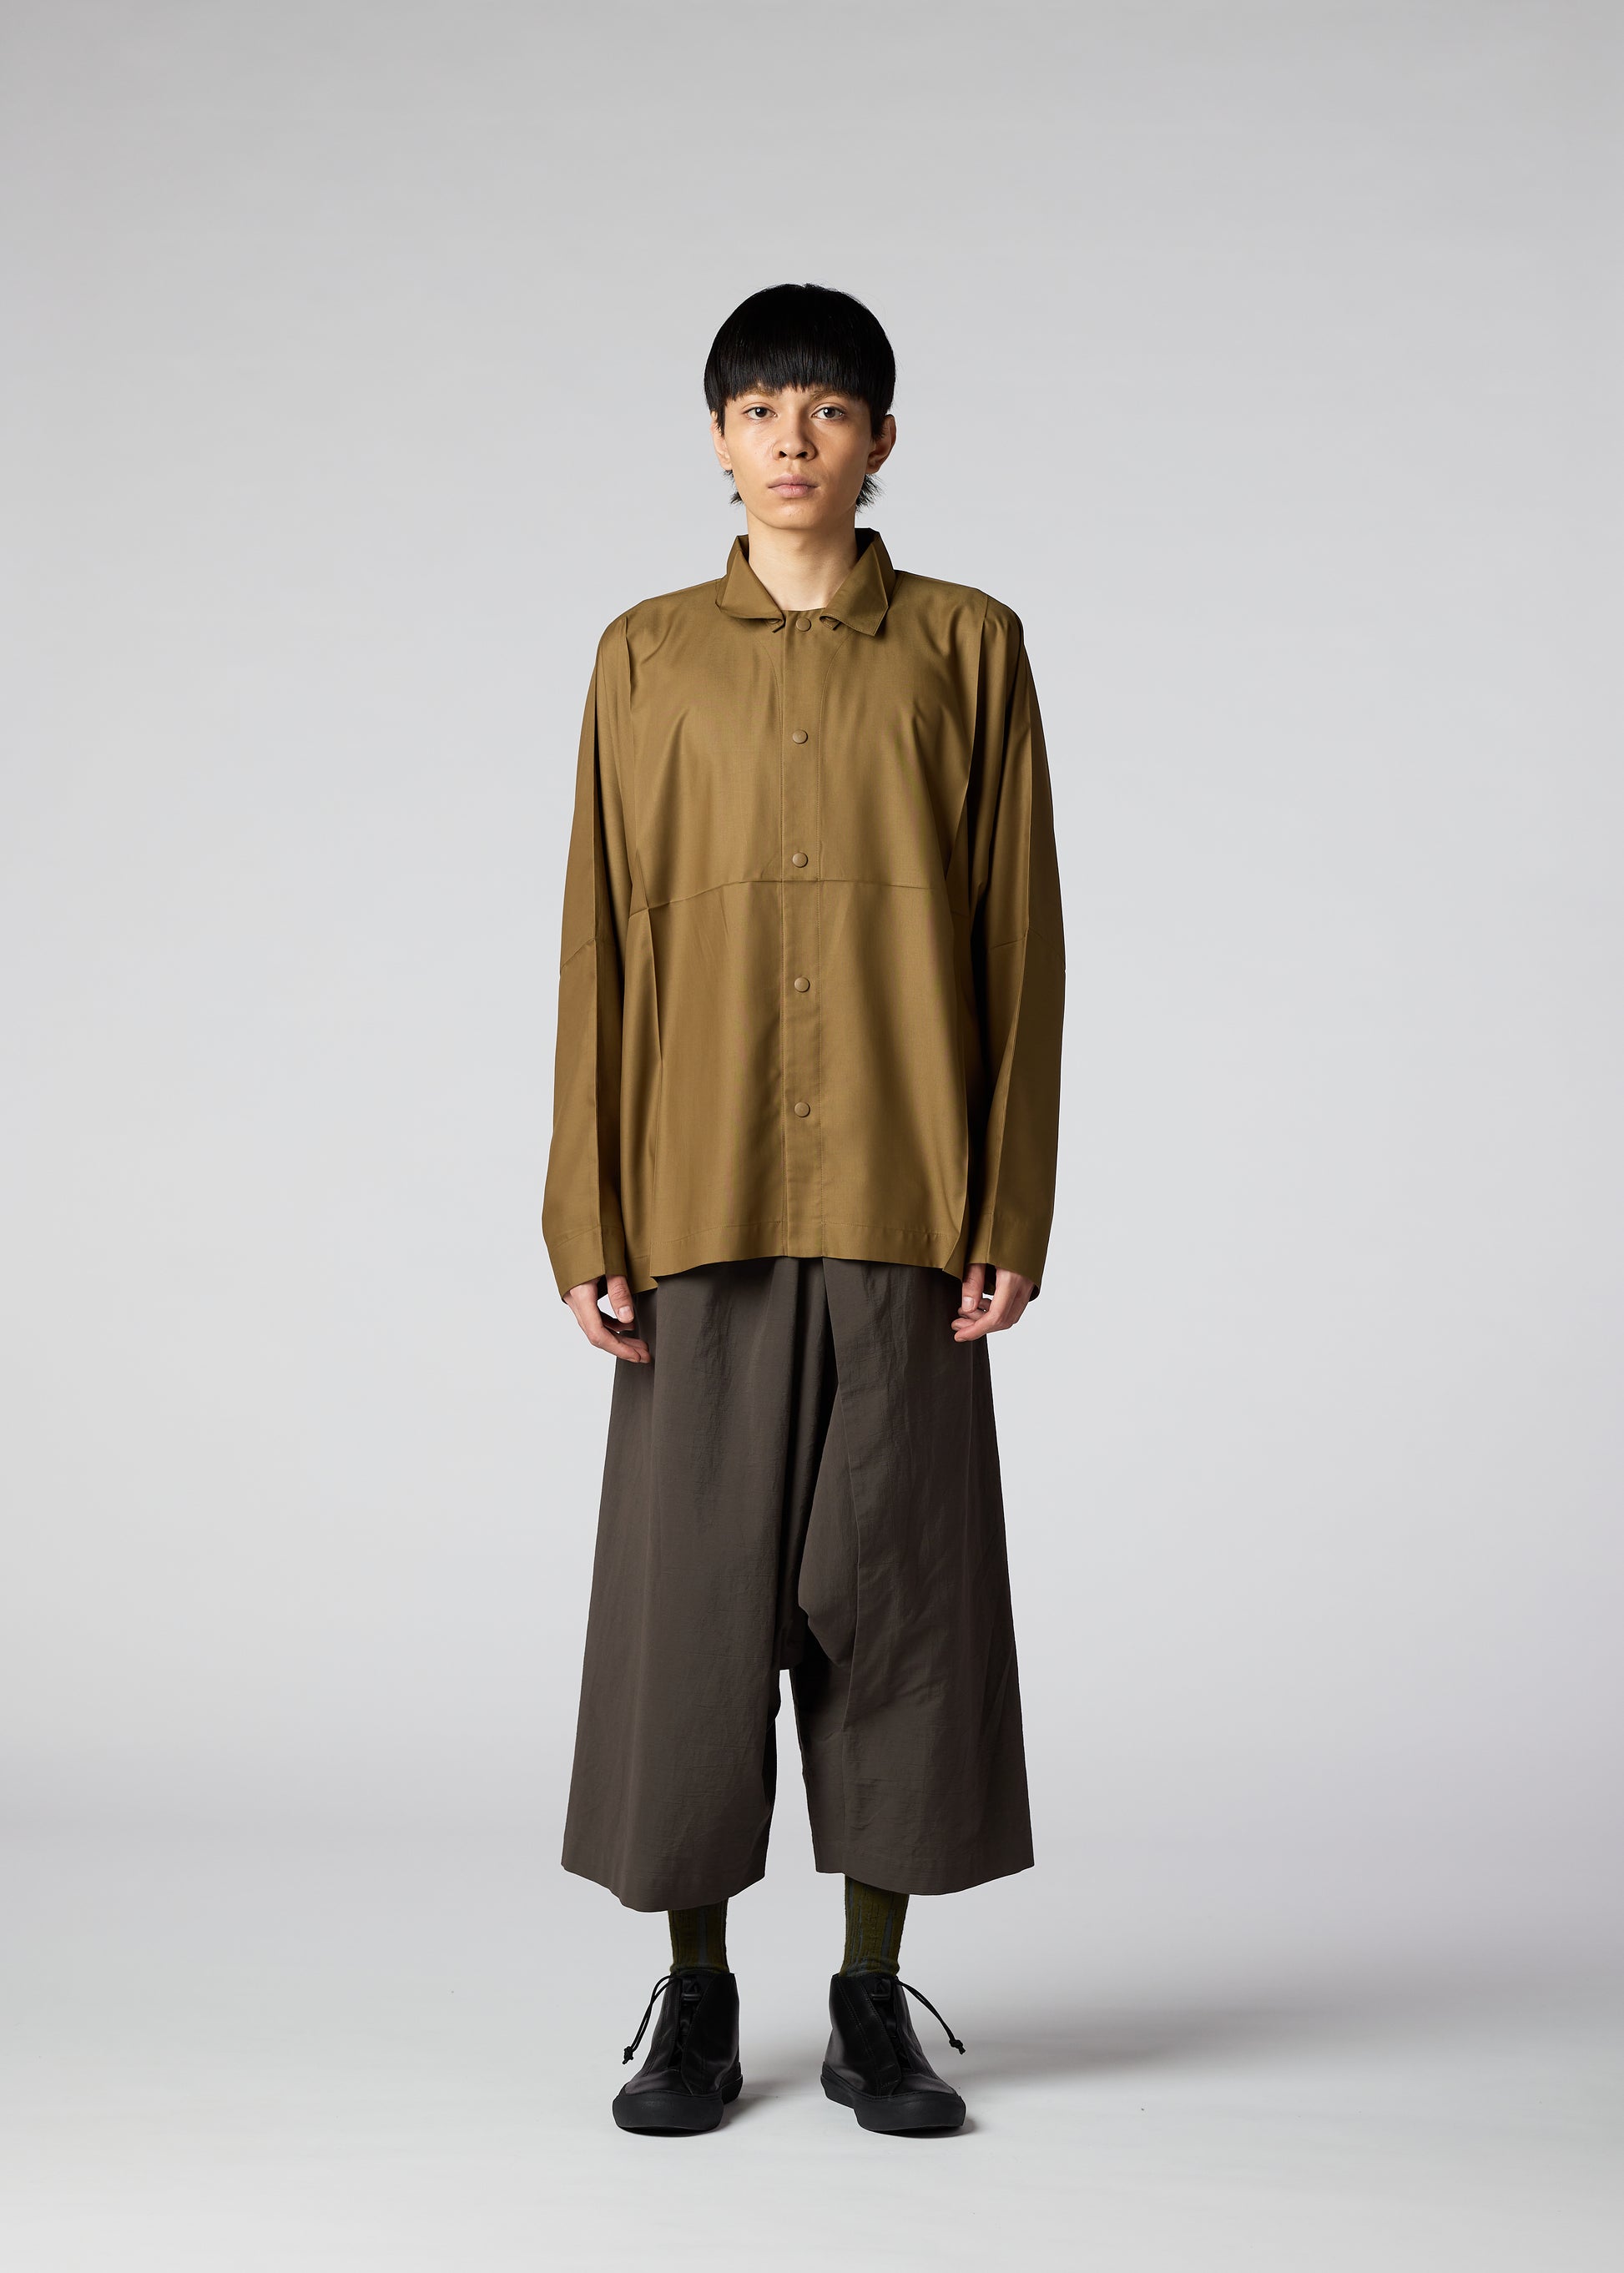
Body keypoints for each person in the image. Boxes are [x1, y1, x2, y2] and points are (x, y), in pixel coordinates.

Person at [542, 281, 1065, 2137]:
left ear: (879, 440)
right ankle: (694, 2003)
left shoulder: (968, 647)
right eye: (758, 408)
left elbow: (1019, 938)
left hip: (907, 1189)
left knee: (899, 1607)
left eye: (826, 409)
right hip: (692, 1191)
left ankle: (865, 2001)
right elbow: (597, 944)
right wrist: (585, 1207)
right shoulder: (642, 656)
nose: (791, 439)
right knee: (692, 1614)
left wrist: (1008, 1194)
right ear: (715, 439)